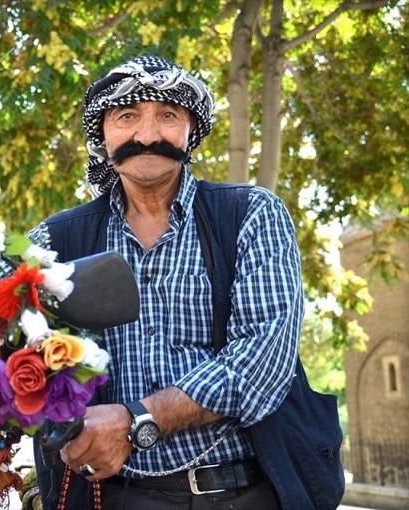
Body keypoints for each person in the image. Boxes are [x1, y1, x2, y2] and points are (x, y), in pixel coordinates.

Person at [28, 55, 304, 509]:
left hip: (237, 493)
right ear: (103, 134)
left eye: (168, 116)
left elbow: (262, 362)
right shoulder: (55, 241)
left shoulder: (251, 215)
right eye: (127, 116)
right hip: (107, 498)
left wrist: (138, 420)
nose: (148, 134)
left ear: (190, 129)